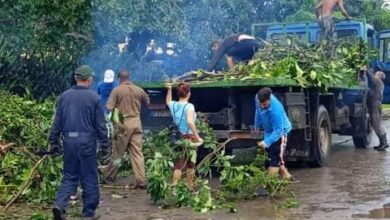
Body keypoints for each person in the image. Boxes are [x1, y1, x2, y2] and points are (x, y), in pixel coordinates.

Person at [49, 65, 110, 220]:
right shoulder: (94, 98)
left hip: (69, 140)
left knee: (69, 176)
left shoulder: (64, 96)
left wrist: (54, 142)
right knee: (89, 176)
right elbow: (100, 125)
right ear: (89, 79)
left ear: (76, 78)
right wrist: (105, 147)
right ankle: (88, 212)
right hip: (87, 142)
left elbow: (57, 122)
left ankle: (60, 205)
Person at [103, 70, 150, 189]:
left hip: (122, 125)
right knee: (137, 153)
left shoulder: (117, 90)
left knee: (118, 153)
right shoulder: (138, 90)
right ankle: (141, 180)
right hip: (136, 123)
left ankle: (109, 177)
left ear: (119, 78)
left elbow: (109, 106)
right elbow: (147, 102)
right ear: (130, 77)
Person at [165, 82, 203, 190]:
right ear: (188, 94)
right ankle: (189, 187)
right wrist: (197, 136)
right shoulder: (189, 106)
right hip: (189, 137)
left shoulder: (173, 105)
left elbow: (167, 101)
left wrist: (169, 89)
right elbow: (190, 122)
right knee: (191, 163)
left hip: (178, 137)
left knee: (178, 162)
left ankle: (175, 185)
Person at [254, 87, 292, 179]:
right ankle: (287, 176)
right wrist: (257, 125)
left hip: (281, 133)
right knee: (272, 155)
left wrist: (267, 142)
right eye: (261, 103)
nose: (262, 106)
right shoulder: (257, 98)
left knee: (274, 158)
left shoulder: (276, 109)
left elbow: (278, 130)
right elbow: (258, 111)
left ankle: (268, 185)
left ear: (269, 99)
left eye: (265, 104)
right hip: (269, 131)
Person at [364, 66, 389, 151]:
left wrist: (366, 70)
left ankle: (384, 143)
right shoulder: (379, 83)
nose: (375, 75)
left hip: (375, 104)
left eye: (376, 74)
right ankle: (382, 143)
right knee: (375, 123)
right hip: (375, 104)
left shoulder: (378, 82)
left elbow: (371, 78)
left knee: (376, 124)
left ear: (379, 76)